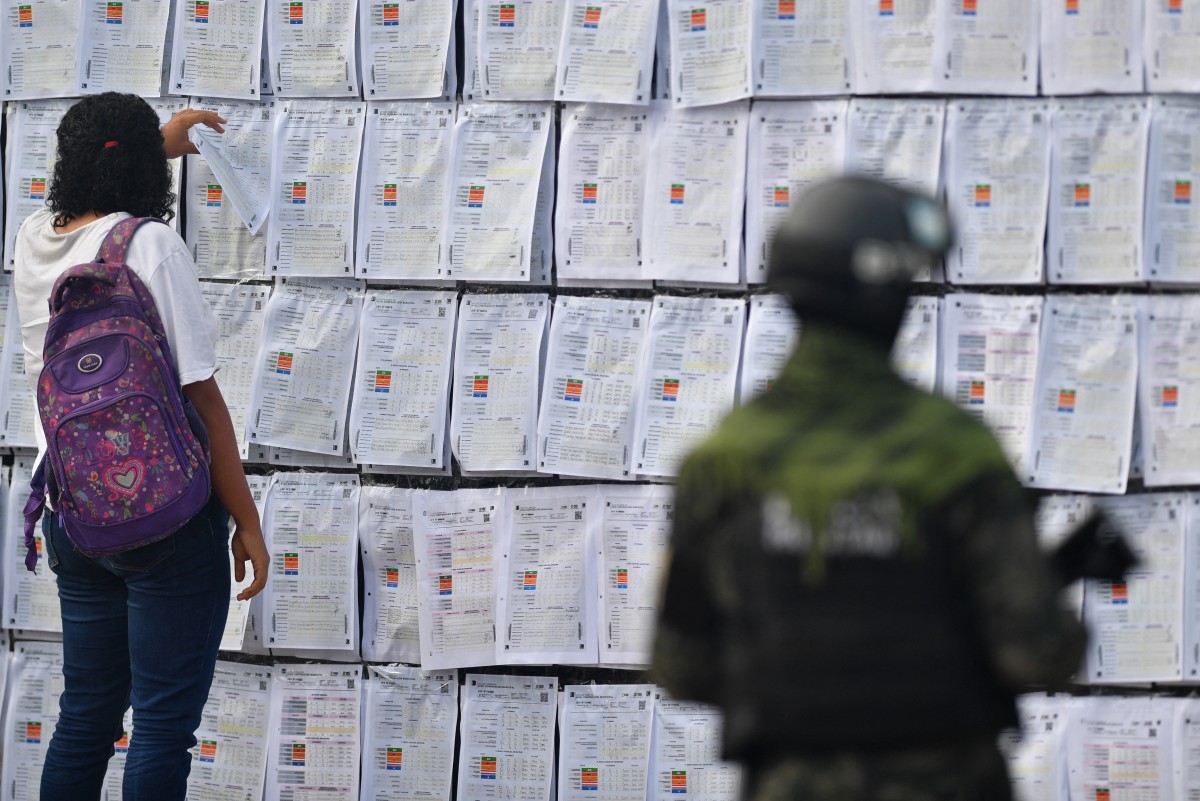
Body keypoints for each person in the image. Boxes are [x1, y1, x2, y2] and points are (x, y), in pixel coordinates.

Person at [651, 177, 1088, 801]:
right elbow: (1037, 653)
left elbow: (682, 666)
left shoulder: (720, 465)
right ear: (893, 299)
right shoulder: (955, 454)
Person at [12, 93, 270, 800]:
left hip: (74, 511)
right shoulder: (148, 246)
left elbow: (103, 170)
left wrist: (157, 139)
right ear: (139, 170)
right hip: (165, 519)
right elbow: (203, 398)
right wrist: (246, 519)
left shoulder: (34, 238)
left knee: (87, 714)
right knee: (161, 724)